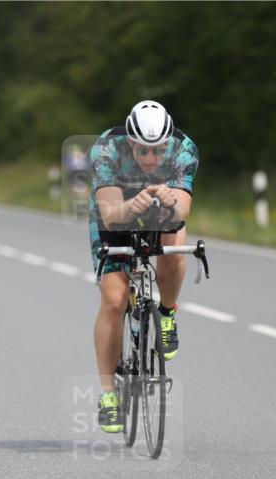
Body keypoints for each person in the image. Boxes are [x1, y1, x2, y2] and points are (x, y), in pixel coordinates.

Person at [88, 100, 199, 433]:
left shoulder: (184, 151)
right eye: (143, 151)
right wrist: (129, 206)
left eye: (158, 151)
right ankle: (108, 395)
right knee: (113, 299)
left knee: (174, 247)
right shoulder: (107, 149)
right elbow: (109, 214)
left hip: (160, 208)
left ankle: (165, 313)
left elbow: (181, 213)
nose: (151, 159)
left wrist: (170, 202)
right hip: (116, 211)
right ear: (130, 143)